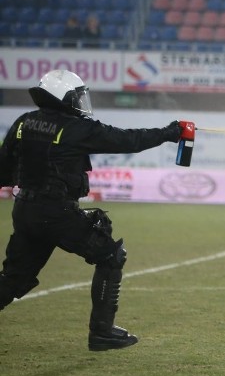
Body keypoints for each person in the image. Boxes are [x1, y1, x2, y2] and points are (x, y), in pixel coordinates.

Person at [0, 70, 183, 351]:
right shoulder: (74, 128)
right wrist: (170, 133)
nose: (80, 102)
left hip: (24, 209)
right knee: (111, 255)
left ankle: (103, 332)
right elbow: (127, 140)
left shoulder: (24, 122)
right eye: (76, 96)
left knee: (13, 279)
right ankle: (102, 332)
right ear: (63, 98)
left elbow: (4, 169)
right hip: (55, 211)